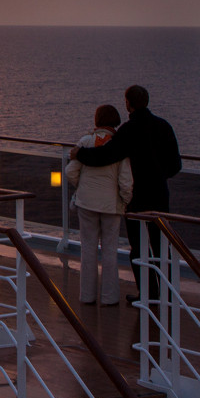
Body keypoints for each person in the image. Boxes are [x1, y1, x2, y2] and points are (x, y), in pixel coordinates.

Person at [70, 85, 181, 304]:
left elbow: (107, 156)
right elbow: (176, 164)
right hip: (159, 194)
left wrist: (80, 153)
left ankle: (147, 295)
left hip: (136, 198)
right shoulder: (164, 127)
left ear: (128, 103)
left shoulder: (128, 131)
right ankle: (167, 295)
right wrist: (159, 176)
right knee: (161, 247)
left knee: (139, 248)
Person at [65, 105, 133, 305]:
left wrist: (83, 186)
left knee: (88, 250)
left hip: (86, 203)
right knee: (110, 251)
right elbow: (126, 182)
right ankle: (109, 297)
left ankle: (87, 295)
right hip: (111, 205)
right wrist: (125, 200)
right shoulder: (119, 145)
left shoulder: (85, 141)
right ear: (116, 121)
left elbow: (70, 172)